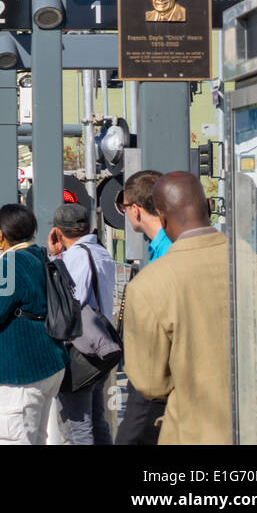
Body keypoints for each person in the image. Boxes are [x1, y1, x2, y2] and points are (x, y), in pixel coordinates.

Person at [123, 172, 229, 444]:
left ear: (136, 210)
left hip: (184, 412)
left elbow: (150, 381)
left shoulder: (164, 266)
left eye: (124, 207)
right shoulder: (246, 261)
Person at [0, 204, 68, 444]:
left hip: (18, 371)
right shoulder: (39, 255)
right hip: (48, 361)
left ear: (0, 233)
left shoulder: (10, 263)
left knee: (15, 437)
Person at [47, 202, 116, 444]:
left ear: (57, 231)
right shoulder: (101, 252)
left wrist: (53, 258)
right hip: (101, 344)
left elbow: (70, 302)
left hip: (79, 349)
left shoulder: (74, 256)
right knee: (97, 422)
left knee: (78, 428)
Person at [114, 169, 168, 445]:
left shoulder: (168, 251)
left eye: (123, 207)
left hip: (155, 376)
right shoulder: (161, 246)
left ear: (135, 210)